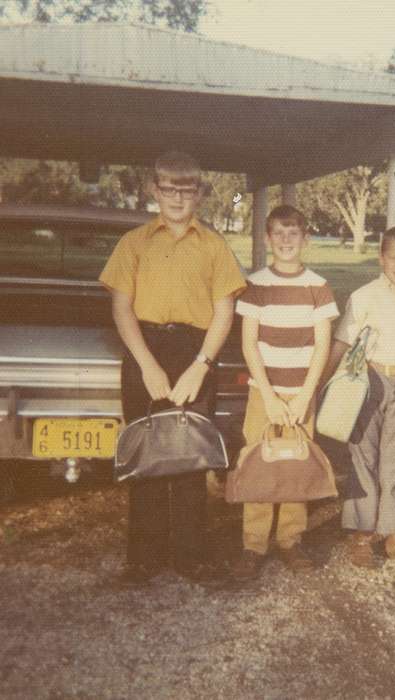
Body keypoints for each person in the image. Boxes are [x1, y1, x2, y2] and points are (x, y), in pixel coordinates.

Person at [100, 151, 246, 584]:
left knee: (189, 455)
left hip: (194, 352)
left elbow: (225, 310)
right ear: (154, 190)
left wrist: (201, 365)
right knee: (146, 454)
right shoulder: (134, 242)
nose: (178, 198)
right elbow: (121, 307)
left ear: (199, 193)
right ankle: (143, 557)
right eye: (169, 188)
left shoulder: (214, 245)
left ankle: (191, 554)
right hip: (144, 348)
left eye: (187, 189)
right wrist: (147, 364)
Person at [231, 205, 338, 581]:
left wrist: (305, 394)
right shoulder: (256, 285)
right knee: (261, 461)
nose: (286, 241)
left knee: (296, 465)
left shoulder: (318, 287)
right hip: (265, 393)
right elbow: (248, 345)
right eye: (279, 233)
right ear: (267, 238)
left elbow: (323, 347)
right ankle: (253, 544)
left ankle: (291, 540)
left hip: (302, 393)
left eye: (294, 234)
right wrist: (272, 397)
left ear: (305, 239)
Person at [326, 225, 395, 570]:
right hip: (367, 382)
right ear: (381, 258)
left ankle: (394, 535)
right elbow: (343, 343)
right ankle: (361, 534)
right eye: (394, 258)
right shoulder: (364, 296)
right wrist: (323, 382)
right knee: (364, 457)